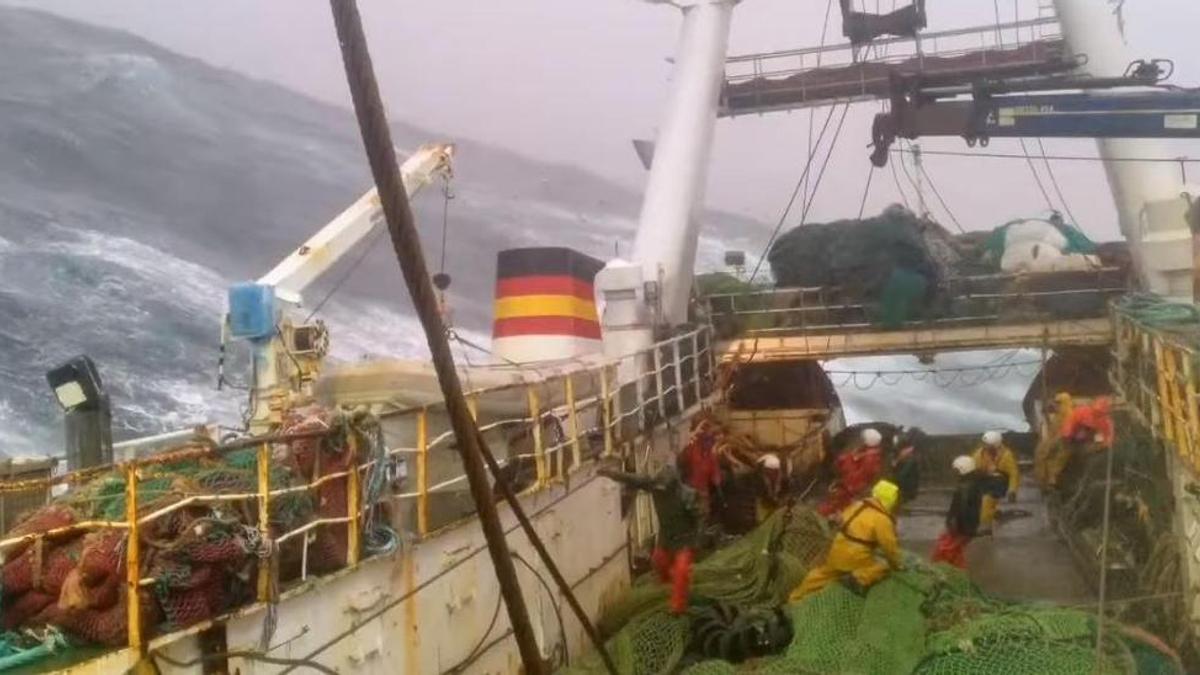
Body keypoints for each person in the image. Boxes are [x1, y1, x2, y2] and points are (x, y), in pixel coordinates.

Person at [598, 464, 701, 614]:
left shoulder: (688, 496)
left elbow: (699, 519)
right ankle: (667, 586)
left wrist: (695, 543)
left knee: (681, 570)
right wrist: (610, 473)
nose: (660, 492)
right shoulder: (654, 486)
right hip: (666, 537)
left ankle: (678, 608)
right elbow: (633, 479)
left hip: (684, 540)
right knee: (659, 562)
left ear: (673, 487)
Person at [790, 480, 903, 600]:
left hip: (837, 549)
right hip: (857, 559)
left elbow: (842, 521)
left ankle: (795, 597)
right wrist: (897, 564)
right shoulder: (882, 519)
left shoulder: (857, 505)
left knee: (821, 575)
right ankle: (857, 579)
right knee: (883, 566)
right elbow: (889, 547)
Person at [931, 456, 1008, 568]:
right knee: (955, 550)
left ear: (962, 471)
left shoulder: (965, 488)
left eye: (956, 470)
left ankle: (944, 571)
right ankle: (958, 570)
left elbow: (961, 509)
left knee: (944, 549)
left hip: (961, 528)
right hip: (968, 527)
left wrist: (954, 525)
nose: (954, 473)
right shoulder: (975, 483)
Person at [819, 428, 885, 516]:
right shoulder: (868, 454)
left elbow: (858, 478)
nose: (861, 440)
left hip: (849, 489)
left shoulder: (869, 459)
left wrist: (845, 484)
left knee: (833, 507)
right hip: (848, 485)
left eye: (863, 439)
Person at [972, 431, 1019, 533]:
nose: (985, 447)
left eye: (988, 445)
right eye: (985, 444)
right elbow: (971, 470)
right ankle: (993, 513)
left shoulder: (1006, 456)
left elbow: (1013, 474)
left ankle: (986, 527)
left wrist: (1012, 491)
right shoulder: (979, 454)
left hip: (999, 483)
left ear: (995, 445)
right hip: (984, 481)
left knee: (986, 500)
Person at [678, 417, 724, 522]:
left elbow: (715, 475)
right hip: (689, 493)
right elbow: (681, 457)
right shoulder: (692, 449)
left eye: (710, 440)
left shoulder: (711, 457)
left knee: (703, 517)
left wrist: (718, 485)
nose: (709, 443)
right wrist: (694, 433)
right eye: (707, 440)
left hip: (702, 494)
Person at [754, 453, 790, 523]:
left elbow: (785, 495)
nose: (772, 474)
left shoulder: (784, 480)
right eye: (769, 471)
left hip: (778, 507)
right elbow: (760, 497)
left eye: (774, 471)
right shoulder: (760, 481)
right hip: (764, 506)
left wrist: (780, 501)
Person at [890, 427, 922, 505]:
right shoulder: (906, 458)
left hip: (906, 490)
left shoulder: (911, 460)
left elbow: (902, 476)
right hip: (906, 489)